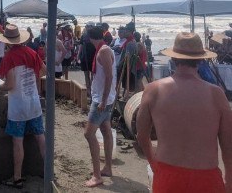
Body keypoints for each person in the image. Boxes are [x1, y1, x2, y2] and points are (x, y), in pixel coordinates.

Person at [137, 32, 232, 193]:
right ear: (201, 59)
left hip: (168, 174)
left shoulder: (153, 90)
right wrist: (229, 179)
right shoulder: (216, 94)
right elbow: (228, 144)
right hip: (206, 177)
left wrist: (153, 163)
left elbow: (141, 135)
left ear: (173, 58)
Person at [0, 24, 46, 189]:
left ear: (7, 41)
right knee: (40, 136)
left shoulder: (9, 57)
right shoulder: (32, 52)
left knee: (18, 141)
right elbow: (44, 71)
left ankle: (17, 178)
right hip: (34, 102)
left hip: (18, 106)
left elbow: (9, 84)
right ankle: (48, 171)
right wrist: (30, 77)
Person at [84, 26, 117, 188]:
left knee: (89, 134)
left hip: (102, 100)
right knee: (105, 131)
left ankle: (97, 175)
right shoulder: (103, 49)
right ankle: (108, 168)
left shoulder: (103, 51)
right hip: (106, 98)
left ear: (90, 37)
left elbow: (109, 76)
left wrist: (103, 100)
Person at [79, 22, 96, 96]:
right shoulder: (84, 35)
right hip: (85, 57)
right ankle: (88, 90)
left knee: (93, 75)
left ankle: (92, 90)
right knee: (86, 74)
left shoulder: (95, 36)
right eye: (86, 26)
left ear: (92, 27)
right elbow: (81, 46)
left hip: (93, 57)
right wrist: (78, 55)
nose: (86, 27)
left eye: (88, 26)